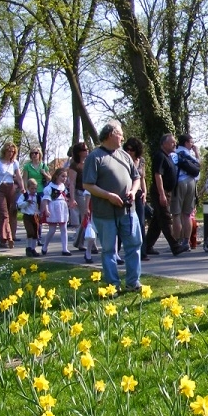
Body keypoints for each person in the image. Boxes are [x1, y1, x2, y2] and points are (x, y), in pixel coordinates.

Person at [83, 120, 143, 291]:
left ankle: (133, 282)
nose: (123, 137)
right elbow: (88, 184)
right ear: (111, 135)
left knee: (134, 245)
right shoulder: (94, 157)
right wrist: (108, 196)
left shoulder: (124, 155)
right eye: (120, 133)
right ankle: (112, 286)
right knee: (109, 249)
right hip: (105, 213)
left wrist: (133, 191)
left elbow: (136, 177)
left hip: (128, 211)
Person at [145, 133, 186, 256]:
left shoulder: (168, 156)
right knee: (166, 218)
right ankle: (175, 246)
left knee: (157, 222)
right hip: (160, 192)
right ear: (164, 144)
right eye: (172, 142)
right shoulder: (160, 156)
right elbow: (158, 175)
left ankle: (147, 246)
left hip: (167, 192)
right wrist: (162, 194)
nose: (175, 144)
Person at [0, 141, 24, 248]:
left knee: (11, 213)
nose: (10, 153)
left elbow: (18, 177)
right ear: (4, 151)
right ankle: (6, 238)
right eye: (9, 151)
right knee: (4, 215)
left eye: (13, 152)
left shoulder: (15, 163)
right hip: (0, 188)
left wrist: (23, 188)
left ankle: (3, 234)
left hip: (11, 188)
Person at [170, 134, 200, 253]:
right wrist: (197, 153)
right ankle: (186, 241)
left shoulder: (174, 154)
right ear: (186, 143)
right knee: (187, 214)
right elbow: (199, 166)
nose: (192, 144)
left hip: (179, 183)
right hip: (191, 182)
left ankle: (176, 242)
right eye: (191, 142)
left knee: (176, 214)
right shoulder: (190, 154)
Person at [122, 137, 148, 261]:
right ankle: (119, 250)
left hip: (138, 193)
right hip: (127, 193)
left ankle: (143, 252)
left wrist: (145, 192)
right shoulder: (124, 160)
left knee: (141, 223)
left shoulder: (141, 161)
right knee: (125, 221)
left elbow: (142, 178)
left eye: (131, 149)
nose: (129, 151)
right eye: (127, 149)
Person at [67, 142, 93, 252]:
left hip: (90, 193)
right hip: (79, 193)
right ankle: (87, 243)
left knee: (88, 218)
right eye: (84, 149)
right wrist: (72, 198)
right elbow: (72, 183)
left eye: (87, 149)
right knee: (86, 217)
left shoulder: (89, 162)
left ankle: (79, 242)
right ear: (79, 152)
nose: (86, 151)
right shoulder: (74, 165)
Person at [40, 168, 72, 256]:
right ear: (57, 176)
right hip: (53, 208)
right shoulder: (49, 187)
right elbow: (46, 200)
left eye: (65, 176)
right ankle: (45, 246)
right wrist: (46, 210)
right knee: (52, 230)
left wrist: (69, 202)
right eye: (62, 176)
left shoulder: (63, 187)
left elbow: (65, 196)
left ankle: (65, 249)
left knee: (64, 229)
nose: (64, 178)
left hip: (62, 208)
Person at [17, 178, 42, 257]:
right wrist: (26, 202)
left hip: (35, 216)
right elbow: (19, 205)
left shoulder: (37, 196)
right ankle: (28, 248)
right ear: (28, 187)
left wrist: (40, 213)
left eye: (35, 188)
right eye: (32, 188)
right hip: (27, 216)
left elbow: (40, 206)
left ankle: (33, 248)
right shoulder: (24, 195)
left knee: (35, 233)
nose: (33, 190)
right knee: (30, 232)